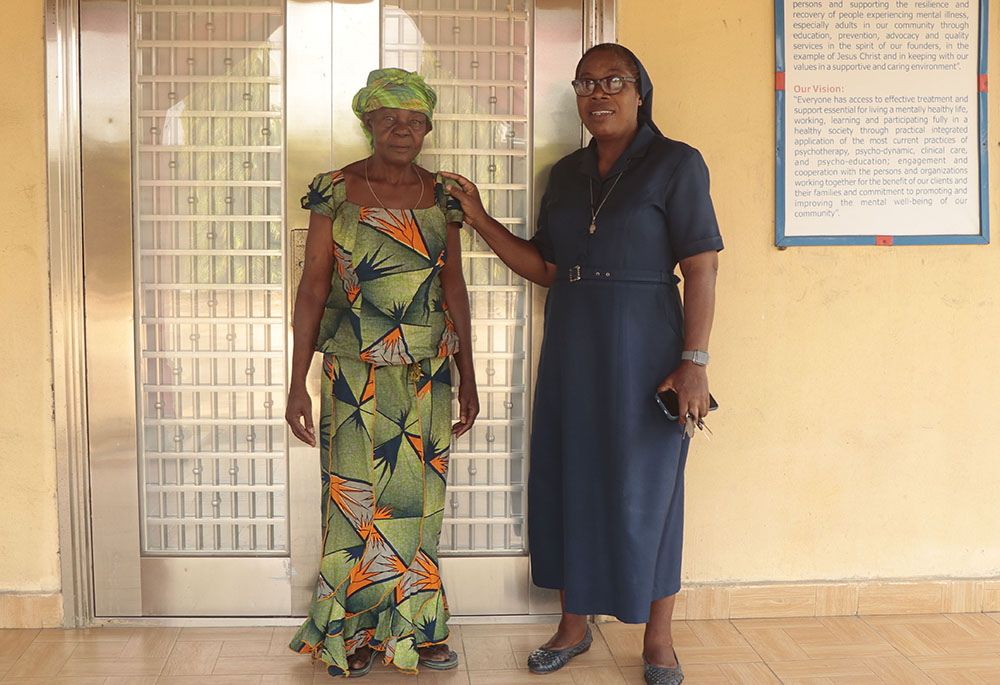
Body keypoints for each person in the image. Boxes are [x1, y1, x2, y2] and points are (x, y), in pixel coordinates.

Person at [442, 44, 722, 684]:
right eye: (586, 83)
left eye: (613, 81)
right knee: (569, 477)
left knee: (649, 491)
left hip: (650, 343)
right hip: (572, 341)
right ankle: (573, 626)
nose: (599, 94)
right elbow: (544, 266)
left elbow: (701, 266)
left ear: (639, 90)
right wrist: (480, 219)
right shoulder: (564, 174)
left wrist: (694, 362)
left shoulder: (677, 164)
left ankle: (658, 639)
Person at [285, 68, 478, 678]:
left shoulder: (443, 193)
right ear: (366, 122)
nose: (403, 130)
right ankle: (354, 628)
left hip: (426, 369)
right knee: (354, 502)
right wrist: (296, 381)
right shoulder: (334, 190)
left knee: (418, 503)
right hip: (351, 369)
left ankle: (416, 629)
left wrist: (470, 375)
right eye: (389, 118)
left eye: (415, 120)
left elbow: (454, 287)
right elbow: (313, 285)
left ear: (428, 127)